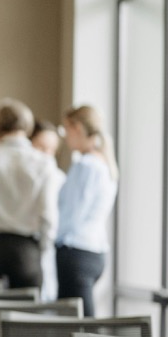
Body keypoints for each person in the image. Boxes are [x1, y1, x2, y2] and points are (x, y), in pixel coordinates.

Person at [0, 99, 62, 288]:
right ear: (28, 127)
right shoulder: (44, 163)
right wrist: (42, 249)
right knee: (26, 315)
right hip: (25, 249)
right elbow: (48, 215)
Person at [56, 105, 119, 315]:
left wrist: (51, 241)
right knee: (84, 321)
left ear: (78, 128)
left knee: (79, 325)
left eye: (67, 130)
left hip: (76, 253)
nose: (65, 138)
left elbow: (71, 215)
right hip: (95, 252)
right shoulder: (105, 164)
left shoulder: (86, 165)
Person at [30, 119, 66, 300]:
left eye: (51, 150)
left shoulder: (59, 178)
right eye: (41, 147)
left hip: (49, 251)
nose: (46, 155)